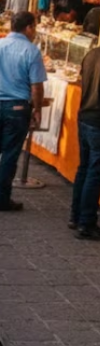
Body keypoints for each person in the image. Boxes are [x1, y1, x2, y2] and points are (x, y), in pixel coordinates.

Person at [0, 11, 46, 212]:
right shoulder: (31, 51)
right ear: (29, 27)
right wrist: (37, 109)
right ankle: (0, 198)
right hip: (17, 107)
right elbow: (36, 86)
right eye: (35, 27)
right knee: (9, 154)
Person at [71, 44, 100, 239]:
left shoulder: (91, 54)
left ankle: (76, 215)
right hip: (97, 120)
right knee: (93, 172)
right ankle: (86, 222)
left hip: (85, 117)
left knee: (85, 168)